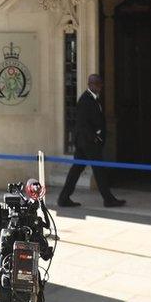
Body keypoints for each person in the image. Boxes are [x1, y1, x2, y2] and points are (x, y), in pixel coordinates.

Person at [57, 74, 126, 208]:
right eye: (97, 84)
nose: (99, 87)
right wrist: (95, 138)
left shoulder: (93, 99)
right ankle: (108, 199)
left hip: (85, 143)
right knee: (99, 170)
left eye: (100, 84)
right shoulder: (85, 100)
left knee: (76, 170)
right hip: (88, 143)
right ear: (90, 84)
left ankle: (63, 198)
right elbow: (83, 124)